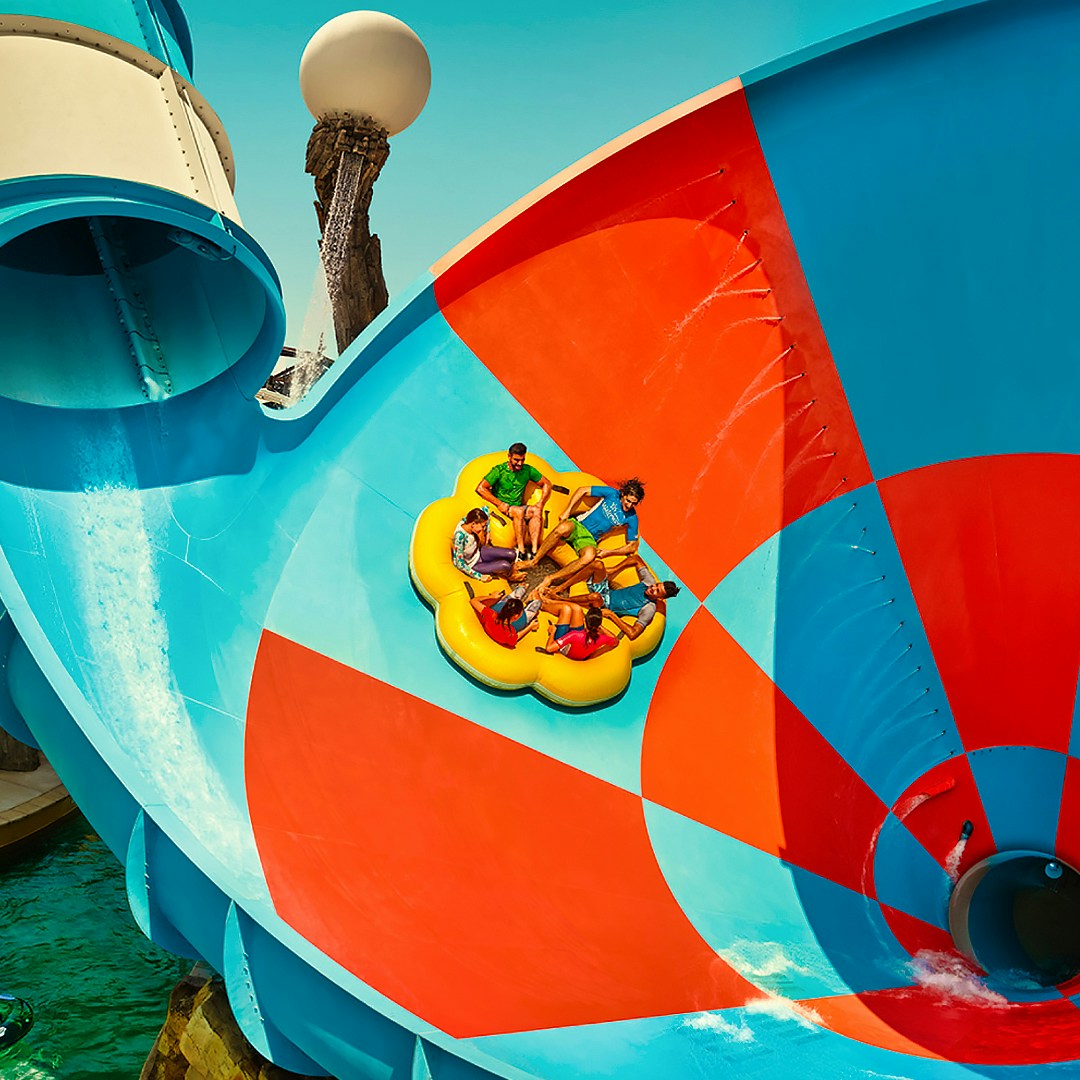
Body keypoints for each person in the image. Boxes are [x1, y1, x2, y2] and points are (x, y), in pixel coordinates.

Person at [520, 477, 645, 589]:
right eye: (628, 501)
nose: (629, 505)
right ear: (623, 494)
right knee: (562, 528)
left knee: (589, 556)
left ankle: (551, 578)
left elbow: (632, 546)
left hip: (589, 538)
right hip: (579, 525)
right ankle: (534, 560)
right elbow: (582, 490)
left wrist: (610, 552)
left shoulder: (631, 517)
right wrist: (567, 511)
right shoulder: (612, 494)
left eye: (634, 503)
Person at [476, 443, 552, 558]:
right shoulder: (499, 471)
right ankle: (521, 551)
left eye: (522, 460)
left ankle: (534, 551)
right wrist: (499, 503)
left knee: (536, 511)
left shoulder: (527, 470)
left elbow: (546, 483)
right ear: (509, 457)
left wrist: (541, 502)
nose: (520, 463)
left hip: (518, 506)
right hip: (504, 507)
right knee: (519, 511)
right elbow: (480, 488)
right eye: (516, 460)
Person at [451, 508, 521, 581]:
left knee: (512, 554)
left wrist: (487, 532)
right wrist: (480, 576)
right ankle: (510, 576)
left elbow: (486, 509)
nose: (482, 529)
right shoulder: (460, 536)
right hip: (473, 565)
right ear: (473, 524)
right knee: (505, 566)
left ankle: (512, 568)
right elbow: (459, 564)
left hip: (479, 552)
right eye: (482, 526)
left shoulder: (468, 520)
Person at [538, 604, 618, 661]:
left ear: (584, 620)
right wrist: (601, 628)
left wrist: (553, 632)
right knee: (577, 609)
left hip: (565, 652)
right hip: (578, 646)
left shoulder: (575, 635)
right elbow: (616, 641)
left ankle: (541, 604)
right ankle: (546, 601)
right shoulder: (601, 638)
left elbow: (549, 649)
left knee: (566, 609)